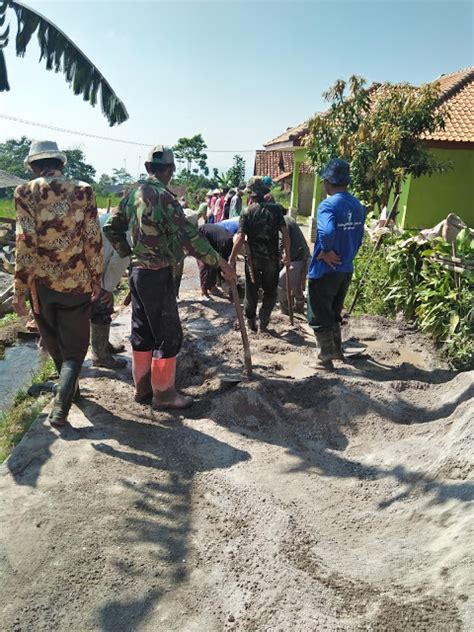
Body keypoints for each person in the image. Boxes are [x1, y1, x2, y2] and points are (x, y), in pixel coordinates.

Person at [103, 144, 236, 410]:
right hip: (158, 273)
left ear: (148, 168)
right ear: (171, 169)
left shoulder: (131, 194)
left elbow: (111, 227)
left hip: (138, 273)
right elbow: (191, 238)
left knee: (141, 333)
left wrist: (128, 253)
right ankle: (163, 395)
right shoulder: (166, 198)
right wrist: (221, 262)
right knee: (168, 336)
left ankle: (142, 389)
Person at [13, 140, 103, 427]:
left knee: (55, 344)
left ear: (34, 166)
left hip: (42, 287)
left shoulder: (25, 191)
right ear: (60, 163)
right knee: (75, 349)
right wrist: (97, 278)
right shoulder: (83, 190)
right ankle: (61, 408)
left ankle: (68, 394)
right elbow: (93, 240)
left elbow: (24, 243)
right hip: (76, 283)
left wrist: (20, 291)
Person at [307, 158, 365, 370]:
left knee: (319, 314)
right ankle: (338, 351)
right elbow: (359, 238)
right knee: (333, 312)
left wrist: (325, 251)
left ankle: (324, 359)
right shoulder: (358, 205)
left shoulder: (328, 205)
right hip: (345, 269)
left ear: (327, 182)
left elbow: (327, 232)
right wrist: (346, 256)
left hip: (325, 271)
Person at [229, 176, 290, 332]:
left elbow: (241, 238)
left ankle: (250, 322)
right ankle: (263, 320)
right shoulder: (276, 209)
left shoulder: (247, 212)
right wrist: (287, 254)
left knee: (252, 289)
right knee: (270, 291)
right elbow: (285, 233)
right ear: (263, 193)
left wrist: (232, 258)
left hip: (253, 260)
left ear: (251, 194)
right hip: (271, 259)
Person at [90, 211, 130, 369]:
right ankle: (100, 355)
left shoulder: (109, 217)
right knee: (102, 305)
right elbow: (120, 258)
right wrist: (108, 288)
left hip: (90, 267)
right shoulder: (126, 227)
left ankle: (103, 345)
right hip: (96, 269)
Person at [278, 213, 310, 314]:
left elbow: (283, 240)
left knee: (279, 282)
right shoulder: (288, 219)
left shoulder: (283, 222)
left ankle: (286, 308)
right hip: (301, 257)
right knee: (296, 284)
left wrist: (281, 253)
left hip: (298, 258)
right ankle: (299, 306)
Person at [197, 224, 234, 298]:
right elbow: (223, 264)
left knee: (215, 263)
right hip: (202, 235)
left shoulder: (231, 242)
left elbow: (229, 262)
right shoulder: (227, 244)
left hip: (212, 238)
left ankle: (212, 286)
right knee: (205, 264)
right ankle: (204, 290)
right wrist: (229, 276)